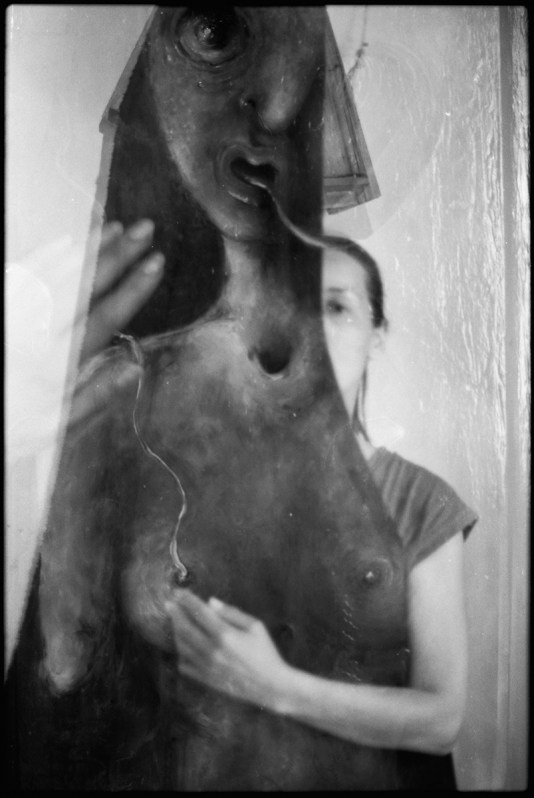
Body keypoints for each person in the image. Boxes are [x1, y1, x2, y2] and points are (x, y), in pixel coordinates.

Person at [163, 238, 478, 789]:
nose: (312, 325)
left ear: (377, 335)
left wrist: (275, 686)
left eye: (336, 306)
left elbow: (441, 721)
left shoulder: (421, 501)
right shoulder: (200, 491)